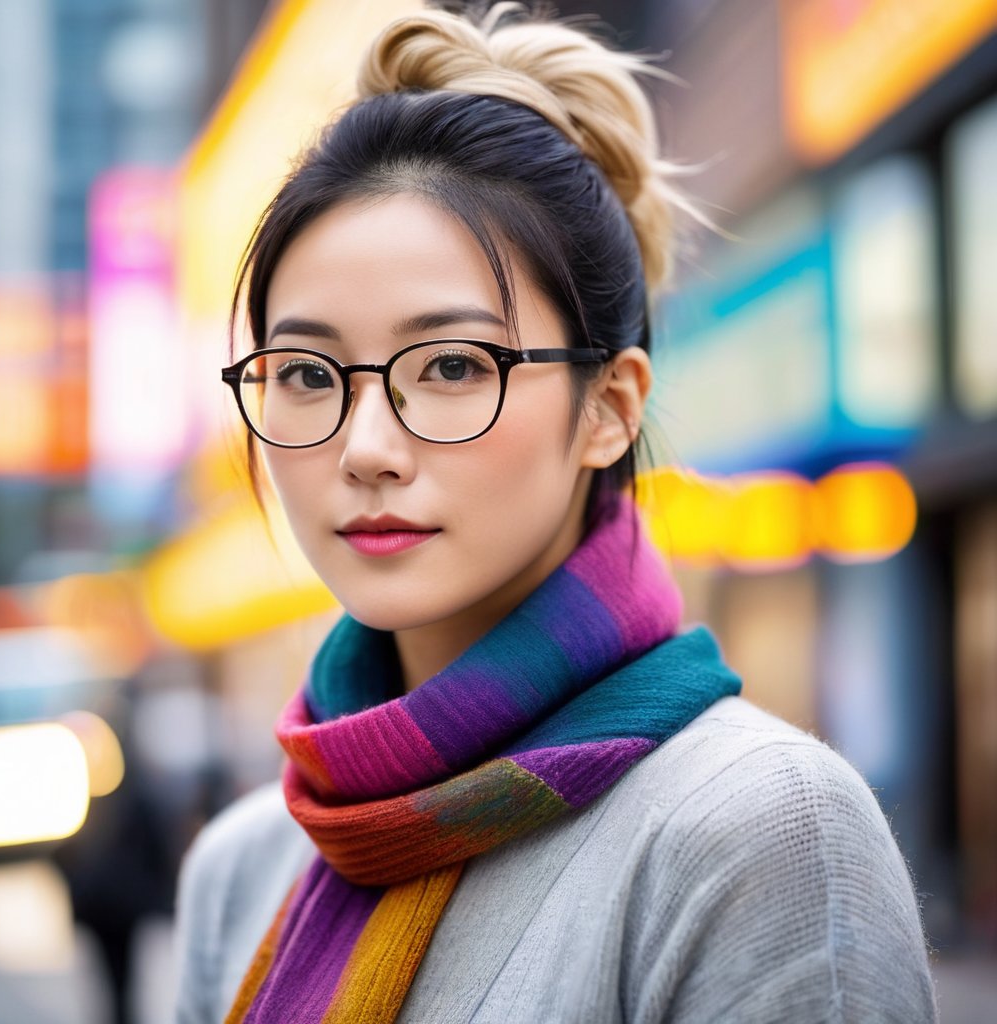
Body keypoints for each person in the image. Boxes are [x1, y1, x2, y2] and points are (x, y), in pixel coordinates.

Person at [173, 5, 937, 1022]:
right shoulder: (244, 867)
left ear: (609, 409)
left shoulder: (760, 830)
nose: (364, 447)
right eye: (308, 373)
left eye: (451, 365)